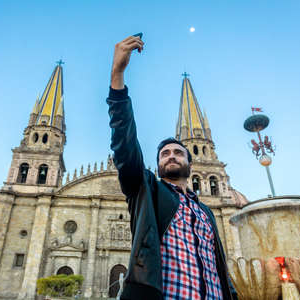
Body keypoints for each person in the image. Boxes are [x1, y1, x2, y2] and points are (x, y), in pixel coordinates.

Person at [106, 35, 238, 300]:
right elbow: (125, 142)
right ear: (156, 165)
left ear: (190, 163)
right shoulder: (147, 192)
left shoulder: (205, 212)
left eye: (179, 152)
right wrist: (117, 76)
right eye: (164, 153)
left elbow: (220, 268)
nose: (171, 156)